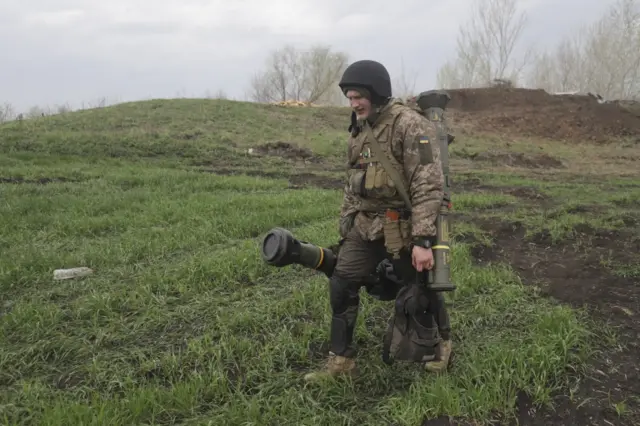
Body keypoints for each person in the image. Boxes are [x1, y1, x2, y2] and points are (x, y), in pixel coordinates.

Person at [304, 59, 453, 382]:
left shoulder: (409, 125)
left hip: (403, 226)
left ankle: (441, 344)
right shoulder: (360, 128)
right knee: (342, 282)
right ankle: (341, 362)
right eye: (349, 97)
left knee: (418, 288)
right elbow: (353, 181)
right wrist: (346, 224)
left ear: (377, 93)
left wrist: (424, 241)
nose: (354, 103)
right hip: (366, 224)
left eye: (359, 96)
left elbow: (428, 185)